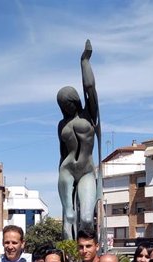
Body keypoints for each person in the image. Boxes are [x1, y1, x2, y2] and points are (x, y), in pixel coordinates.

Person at [58, 39, 100, 240]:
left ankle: (89, 256)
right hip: (66, 169)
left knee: (86, 218)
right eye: (62, 105)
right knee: (68, 215)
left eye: (68, 103)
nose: (66, 107)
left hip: (86, 171)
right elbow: (62, 153)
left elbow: (90, 87)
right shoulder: (61, 124)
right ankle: (69, 260)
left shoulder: (88, 116)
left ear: (75, 100)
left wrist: (84, 61)